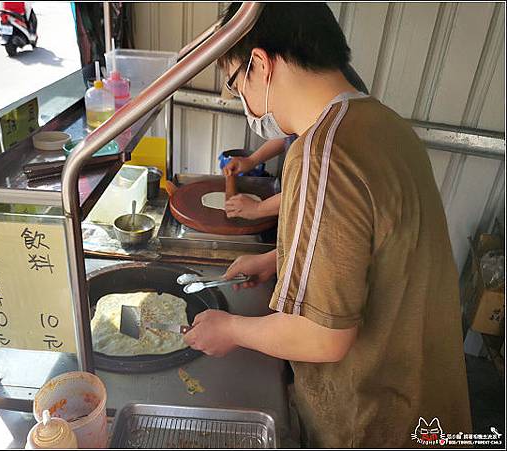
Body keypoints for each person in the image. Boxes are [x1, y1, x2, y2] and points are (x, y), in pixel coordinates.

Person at [183, 3, 472, 448]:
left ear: (260, 65)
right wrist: (280, 259)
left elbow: (323, 336)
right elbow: (371, 243)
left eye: (236, 82)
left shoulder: (322, 151)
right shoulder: (381, 123)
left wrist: (231, 329)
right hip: (426, 401)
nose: (239, 99)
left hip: (375, 418)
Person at [224, 66, 368, 220]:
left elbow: (310, 191)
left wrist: (258, 208)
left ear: (262, 64)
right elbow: (289, 133)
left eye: (238, 86)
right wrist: (251, 160)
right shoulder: (303, 90)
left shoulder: (332, 115)